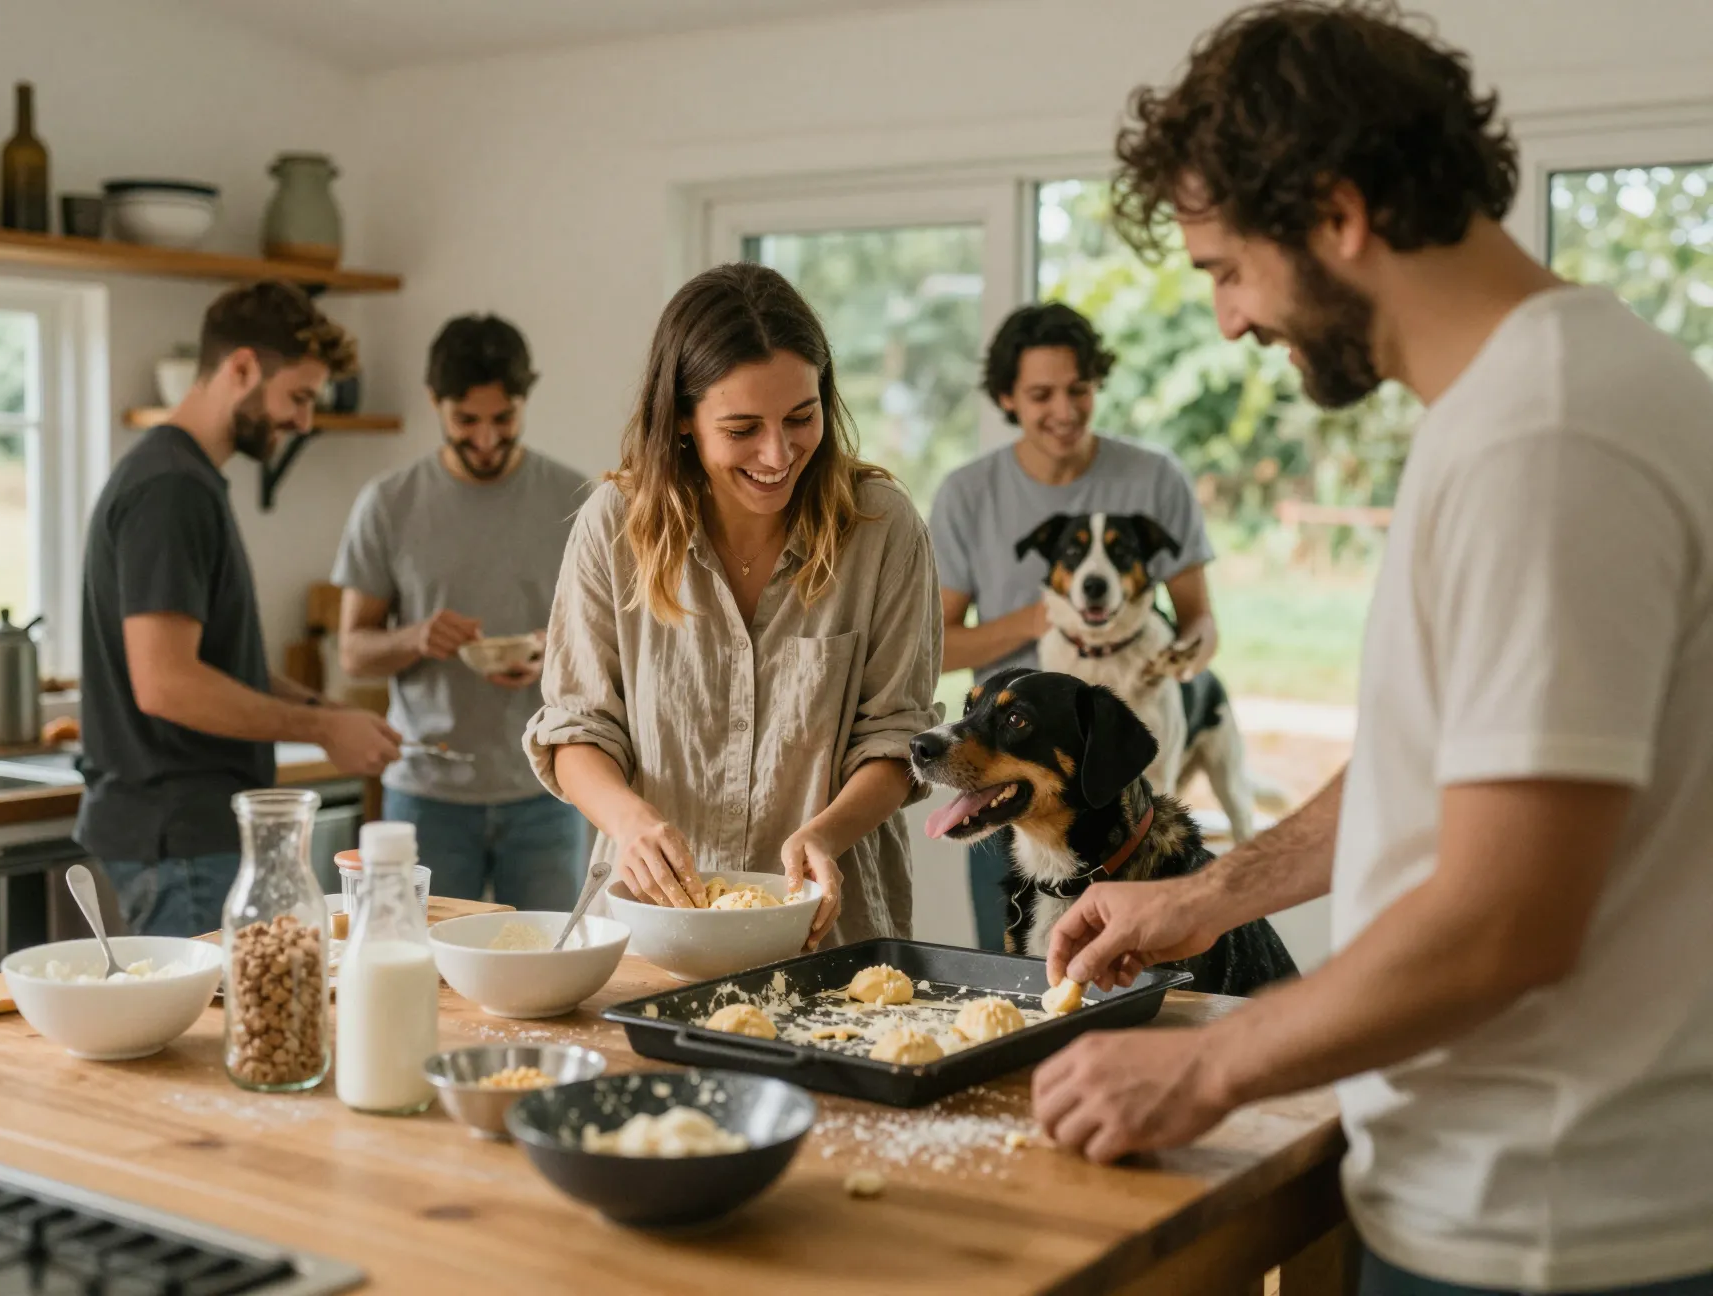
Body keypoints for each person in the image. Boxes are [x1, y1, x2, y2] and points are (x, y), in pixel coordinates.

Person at [1034, 6, 1713, 1295]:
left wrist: (1203, 1065)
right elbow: (1453, 770)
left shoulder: (1547, 440)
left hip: (1552, 1230)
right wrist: (1210, 897)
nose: (1228, 321)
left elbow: (1508, 917)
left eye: (1228, 270)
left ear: (1338, 213)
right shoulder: (1541, 396)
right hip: (1507, 1196)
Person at [524, 262, 943, 947]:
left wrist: (824, 835)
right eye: (743, 427)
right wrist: (630, 821)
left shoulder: (882, 528)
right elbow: (575, 730)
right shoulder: (616, 524)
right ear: (683, 420)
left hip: (827, 936)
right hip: (649, 931)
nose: (777, 453)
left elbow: (897, 741)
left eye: (800, 417)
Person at [77, 281, 402, 938]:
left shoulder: (183, 478)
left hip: (187, 838)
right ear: (243, 368)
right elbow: (167, 683)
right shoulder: (172, 489)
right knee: (209, 1038)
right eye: (299, 398)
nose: (305, 422)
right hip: (182, 842)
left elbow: (221, 664)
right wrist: (320, 733)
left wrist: (325, 711)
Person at [928, 301, 1217, 949]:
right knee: (1017, 981)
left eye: (1079, 390)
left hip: (1129, 796)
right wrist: (1044, 618)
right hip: (1013, 783)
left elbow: (1201, 623)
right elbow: (940, 645)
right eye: (1040, 394)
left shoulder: (1154, 479)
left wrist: (1183, 655)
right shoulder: (968, 495)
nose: (1064, 410)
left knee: (1145, 978)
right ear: (1007, 396)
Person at [333, 314, 592, 909]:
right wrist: (417, 638)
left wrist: (552, 650)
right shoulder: (389, 503)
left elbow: (614, 642)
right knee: (422, 971)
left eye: (503, 419)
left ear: (525, 401)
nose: (485, 438)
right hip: (426, 798)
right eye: (465, 420)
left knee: (548, 965)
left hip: (547, 788)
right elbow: (353, 652)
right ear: (435, 402)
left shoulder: (574, 500)